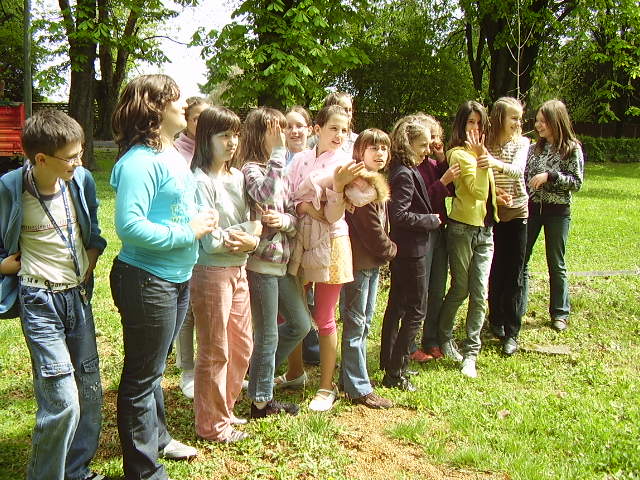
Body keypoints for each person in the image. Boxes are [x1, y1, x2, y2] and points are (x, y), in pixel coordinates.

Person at [110, 74, 217, 479]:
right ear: (155, 108)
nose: (184, 104)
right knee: (142, 376)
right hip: (146, 279)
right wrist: (187, 232)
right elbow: (130, 226)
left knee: (154, 367)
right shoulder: (140, 162)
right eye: (176, 98)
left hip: (174, 276)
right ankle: (144, 471)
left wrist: (198, 220)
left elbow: (171, 207)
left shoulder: (170, 152)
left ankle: (159, 440)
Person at [0, 109, 106, 480]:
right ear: (41, 159)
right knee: (63, 401)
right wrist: (2, 266)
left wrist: (90, 261)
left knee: (89, 392)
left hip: (77, 298)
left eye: (81, 153)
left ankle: (75, 470)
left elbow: (94, 234)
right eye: (71, 157)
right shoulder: (10, 188)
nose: (80, 162)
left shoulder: (81, 181)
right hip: (39, 302)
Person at [282, 104, 364, 411]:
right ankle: (294, 372)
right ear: (317, 130)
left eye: (344, 130)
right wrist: (304, 206)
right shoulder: (300, 159)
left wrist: (324, 198)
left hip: (331, 243)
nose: (339, 135)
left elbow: (332, 215)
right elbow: (288, 195)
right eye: (333, 128)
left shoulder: (344, 164)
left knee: (324, 317)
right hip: (299, 241)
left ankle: (326, 387)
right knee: (292, 312)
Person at [236, 107, 312, 418]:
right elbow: (264, 193)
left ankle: (256, 375)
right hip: (260, 265)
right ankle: (261, 401)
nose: (283, 133)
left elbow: (292, 214)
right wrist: (279, 155)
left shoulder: (279, 169)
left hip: (281, 264)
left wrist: (285, 222)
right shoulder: (251, 169)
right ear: (260, 133)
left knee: (300, 324)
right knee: (268, 334)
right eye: (276, 129)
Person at [190, 106, 260, 443]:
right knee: (214, 349)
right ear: (207, 138)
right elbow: (210, 241)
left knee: (242, 346)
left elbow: (254, 223)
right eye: (224, 135)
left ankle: (225, 409)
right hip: (210, 273)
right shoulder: (198, 181)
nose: (232, 142)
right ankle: (211, 425)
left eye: (236, 135)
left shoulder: (239, 177)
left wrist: (252, 239)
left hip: (239, 268)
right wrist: (246, 238)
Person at [379, 115, 441, 391]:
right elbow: (399, 215)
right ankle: (396, 371)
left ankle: (389, 361)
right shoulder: (404, 173)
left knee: (397, 306)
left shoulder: (405, 169)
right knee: (416, 309)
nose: (428, 150)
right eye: (423, 145)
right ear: (409, 144)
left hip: (407, 249)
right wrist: (430, 220)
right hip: (411, 251)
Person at [438, 101, 498, 379]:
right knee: (460, 288)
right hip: (461, 230)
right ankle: (443, 337)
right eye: (470, 122)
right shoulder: (458, 154)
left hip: (485, 231)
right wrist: (484, 163)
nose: (475, 128)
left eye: (479, 123)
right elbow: (476, 191)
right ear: (461, 125)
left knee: (480, 292)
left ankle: (471, 353)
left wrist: (497, 198)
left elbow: (486, 195)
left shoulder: (480, 154)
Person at [339, 128, 396, 408]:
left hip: (370, 264)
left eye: (384, 148)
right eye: (373, 148)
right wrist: (392, 250)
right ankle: (358, 388)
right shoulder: (358, 186)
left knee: (364, 322)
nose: (380, 153)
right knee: (355, 323)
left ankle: (349, 378)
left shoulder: (374, 182)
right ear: (360, 151)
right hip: (359, 264)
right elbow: (372, 231)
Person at [522, 99, 584, 332]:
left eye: (543, 121)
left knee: (556, 262)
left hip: (558, 212)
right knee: (522, 258)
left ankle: (560, 313)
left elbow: (576, 182)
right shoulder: (533, 149)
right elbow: (524, 176)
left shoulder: (571, 148)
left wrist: (551, 176)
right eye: (537, 121)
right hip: (532, 208)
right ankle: (519, 307)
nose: (537, 125)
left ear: (556, 121)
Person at [410, 114, 460, 363]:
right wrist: (442, 181)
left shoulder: (432, 163)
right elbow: (421, 201)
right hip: (422, 233)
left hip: (440, 229)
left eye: (437, 137)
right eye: (431, 138)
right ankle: (409, 343)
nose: (434, 142)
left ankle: (430, 339)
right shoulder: (411, 167)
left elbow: (452, 190)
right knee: (420, 290)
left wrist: (442, 160)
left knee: (438, 287)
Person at [485, 97, 531, 355]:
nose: (518, 122)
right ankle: (495, 319)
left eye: (519, 118)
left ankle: (512, 332)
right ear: (500, 117)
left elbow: (517, 170)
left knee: (514, 272)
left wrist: (493, 162)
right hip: (492, 213)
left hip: (517, 213)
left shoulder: (523, 143)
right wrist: (494, 193)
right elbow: (482, 176)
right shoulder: (486, 143)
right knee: (495, 268)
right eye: (513, 117)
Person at [173, 96, 210, 398]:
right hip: (187, 238)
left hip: (212, 241)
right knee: (187, 311)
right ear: (186, 120)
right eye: (197, 118)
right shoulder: (176, 152)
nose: (202, 124)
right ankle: (187, 369)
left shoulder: (215, 149)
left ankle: (209, 369)